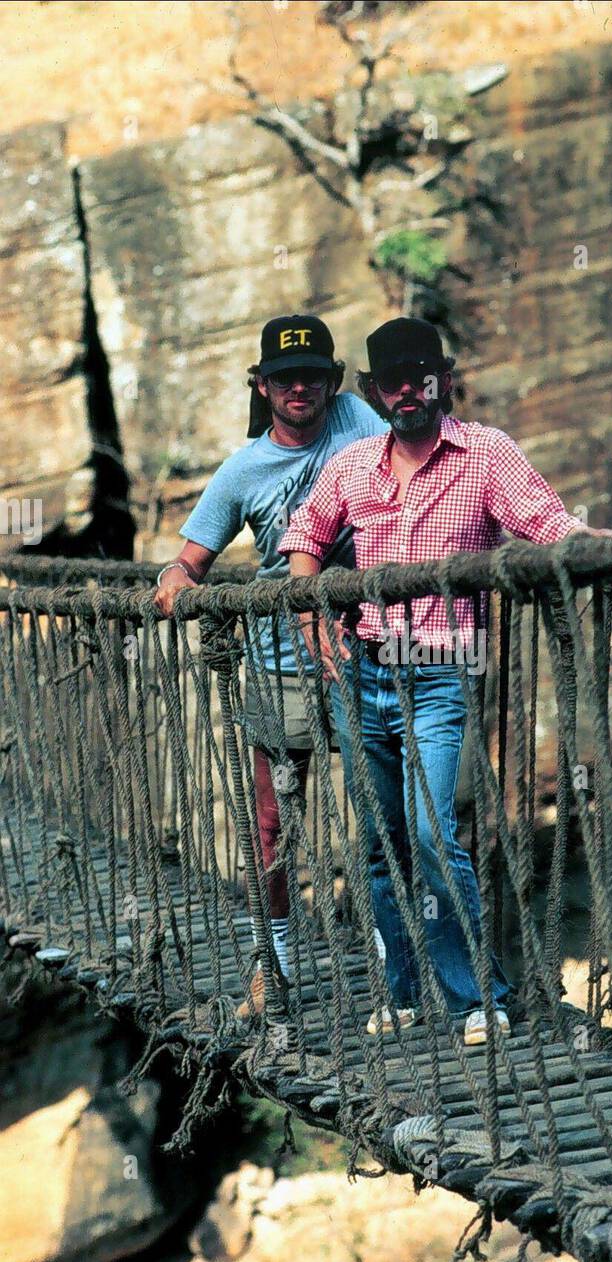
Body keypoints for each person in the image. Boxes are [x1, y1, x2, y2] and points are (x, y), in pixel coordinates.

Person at [279, 317, 612, 1046]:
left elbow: (544, 522)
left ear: (443, 379)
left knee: (434, 835)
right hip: (364, 672)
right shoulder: (351, 467)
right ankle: (402, 993)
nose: (408, 390)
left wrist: (607, 548)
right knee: (378, 843)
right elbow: (304, 536)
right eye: (391, 380)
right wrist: (311, 611)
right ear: (372, 392)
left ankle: (474, 1000)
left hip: (437, 671)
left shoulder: (486, 452)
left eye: (420, 375)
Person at [153, 314, 382, 1014]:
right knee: (272, 821)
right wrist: (175, 583)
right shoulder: (242, 469)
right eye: (284, 378)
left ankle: (399, 965)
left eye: (313, 374)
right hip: (280, 662)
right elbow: (188, 561)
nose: (299, 388)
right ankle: (272, 968)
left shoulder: (359, 419)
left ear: (333, 381)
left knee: (386, 811)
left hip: (365, 650)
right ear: (262, 385)